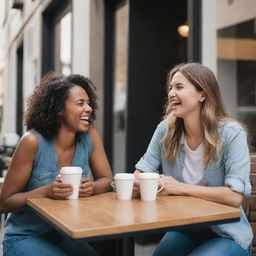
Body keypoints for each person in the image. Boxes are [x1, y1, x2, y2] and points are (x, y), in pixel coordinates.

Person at [133, 63, 253, 256]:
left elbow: (234, 197)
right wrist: (140, 183)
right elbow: (140, 173)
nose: (171, 93)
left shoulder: (232, 134)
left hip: (226, 233)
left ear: (202, 94)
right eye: (170, 88)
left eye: (179, 87)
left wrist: (179, 187)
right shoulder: (165, 130)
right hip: (184, 228)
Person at [0, 72, 113, 256]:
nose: (89, 108)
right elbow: (5, 202)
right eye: (80, 103)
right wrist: (45, 192)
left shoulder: (89, 137)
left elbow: (107, 179)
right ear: (59, 109)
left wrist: (92, 187)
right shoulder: (32, 142)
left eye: (88, 103)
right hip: (25, 236)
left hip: (64, 234)